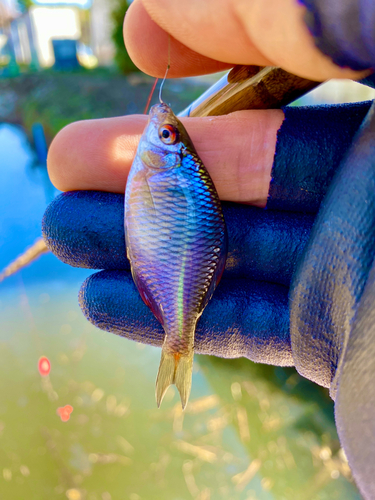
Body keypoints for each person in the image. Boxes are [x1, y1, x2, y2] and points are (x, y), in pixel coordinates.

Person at [43, 1, 375, 498]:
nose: (162, 127)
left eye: (167, 133)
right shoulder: (163, 168)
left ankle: (179, 344)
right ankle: (181, 342)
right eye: (168, 133)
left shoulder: (160, 169)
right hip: (179, 267)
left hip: (175, 268)